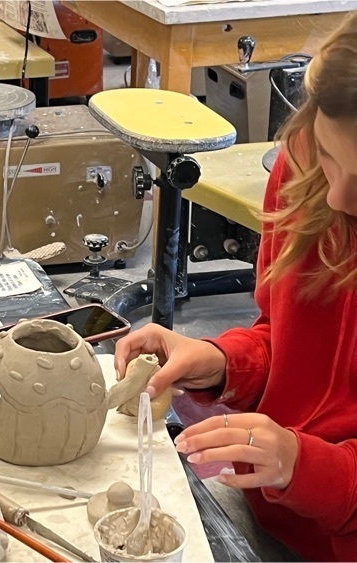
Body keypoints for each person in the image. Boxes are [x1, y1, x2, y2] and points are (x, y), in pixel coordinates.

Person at [114, 13, 357, 561]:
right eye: (329, 156)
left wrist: (304, 464)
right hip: (273, 511)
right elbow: (290, 341)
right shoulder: (304, 173)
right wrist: (223, 362)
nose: (338, 197)